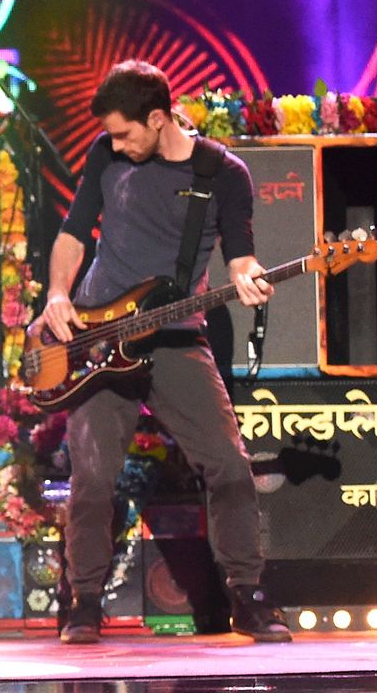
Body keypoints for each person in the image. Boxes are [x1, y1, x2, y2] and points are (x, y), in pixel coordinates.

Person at [31, 60, 290, 645]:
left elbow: (241, 254)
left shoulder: (223, 172)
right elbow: (74, 232)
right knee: (92, 476)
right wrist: (57, 294)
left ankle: (247, 596)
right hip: (98, 338)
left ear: (157, 118)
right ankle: (84, 601)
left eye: (125, 134)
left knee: (229, 465)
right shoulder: (107, 154)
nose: (117, 144)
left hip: (175, 334)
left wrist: (248, 278)